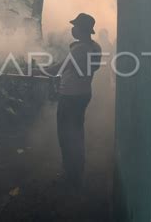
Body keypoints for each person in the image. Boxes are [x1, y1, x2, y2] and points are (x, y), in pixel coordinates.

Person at [36, 13, 102, 187]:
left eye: (76, 26)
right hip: (83, 93)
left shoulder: (80, 49)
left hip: (71, 97)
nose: (73, 29)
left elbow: (59, 68)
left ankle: (70, 176)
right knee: (76, 133)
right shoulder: (95, 47)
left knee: (66, 135)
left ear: (82, 29)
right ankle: (76, 172)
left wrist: (39, 71)